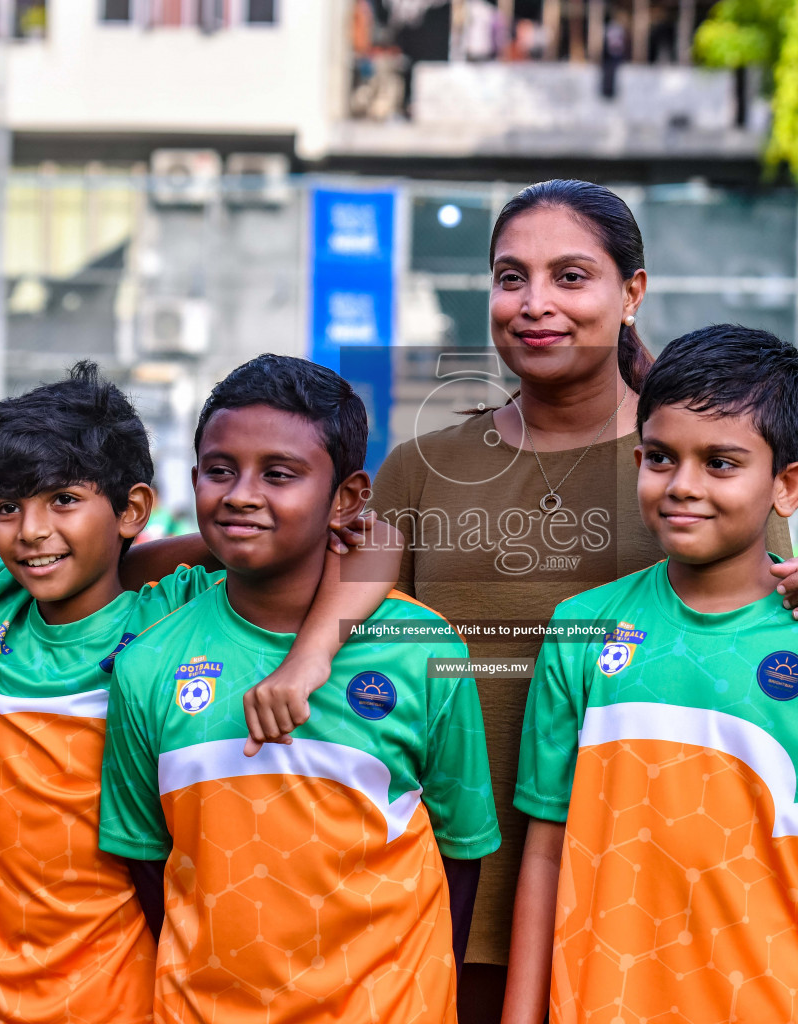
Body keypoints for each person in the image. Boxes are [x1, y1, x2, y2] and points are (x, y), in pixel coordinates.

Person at [313, 179, 798, 1019]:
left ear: (632, 293)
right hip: (430, 898)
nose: (534, 303)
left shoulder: (696, 466)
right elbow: (333, 638)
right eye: (511, 277)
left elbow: (772, 631)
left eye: (570, 276)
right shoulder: (418, 467)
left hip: (632, 926)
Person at [0, 362, 403, 1024]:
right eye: (7, 507)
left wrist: (312, 656)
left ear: (132, 509)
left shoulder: (167, 614)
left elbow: (376, 539)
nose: (31, 530)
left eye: (64, 501)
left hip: (124, 984)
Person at [504, 326, 798, 1024]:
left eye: (721, 463)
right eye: (661, 458)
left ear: (788, 486)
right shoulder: (580, 629)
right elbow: (544, 853)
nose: (683, 485)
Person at [98, 355, 500, 1023]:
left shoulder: (423, 648)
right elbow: (149, 864)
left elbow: (462, 853)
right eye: (219, 470)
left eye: (279, 475)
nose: (241, 494)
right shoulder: (149, 664)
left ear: (346, 498)